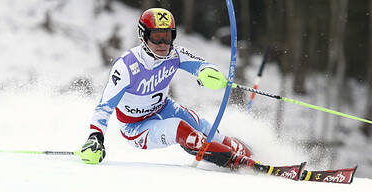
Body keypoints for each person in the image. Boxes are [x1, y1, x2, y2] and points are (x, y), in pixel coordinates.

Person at [80, 8, 266, 172]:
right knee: (180, 129)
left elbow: (202, 65)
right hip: (136, 127)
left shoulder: (175, 55)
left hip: (164, 108)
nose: (163, 44)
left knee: (207, 129)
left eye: (167, 36)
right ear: (143, 36)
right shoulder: (126, 67)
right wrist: (95, 137)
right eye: (157, 37)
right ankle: (237, 163)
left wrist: (209, 73)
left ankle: (256, 157)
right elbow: (104, 108)